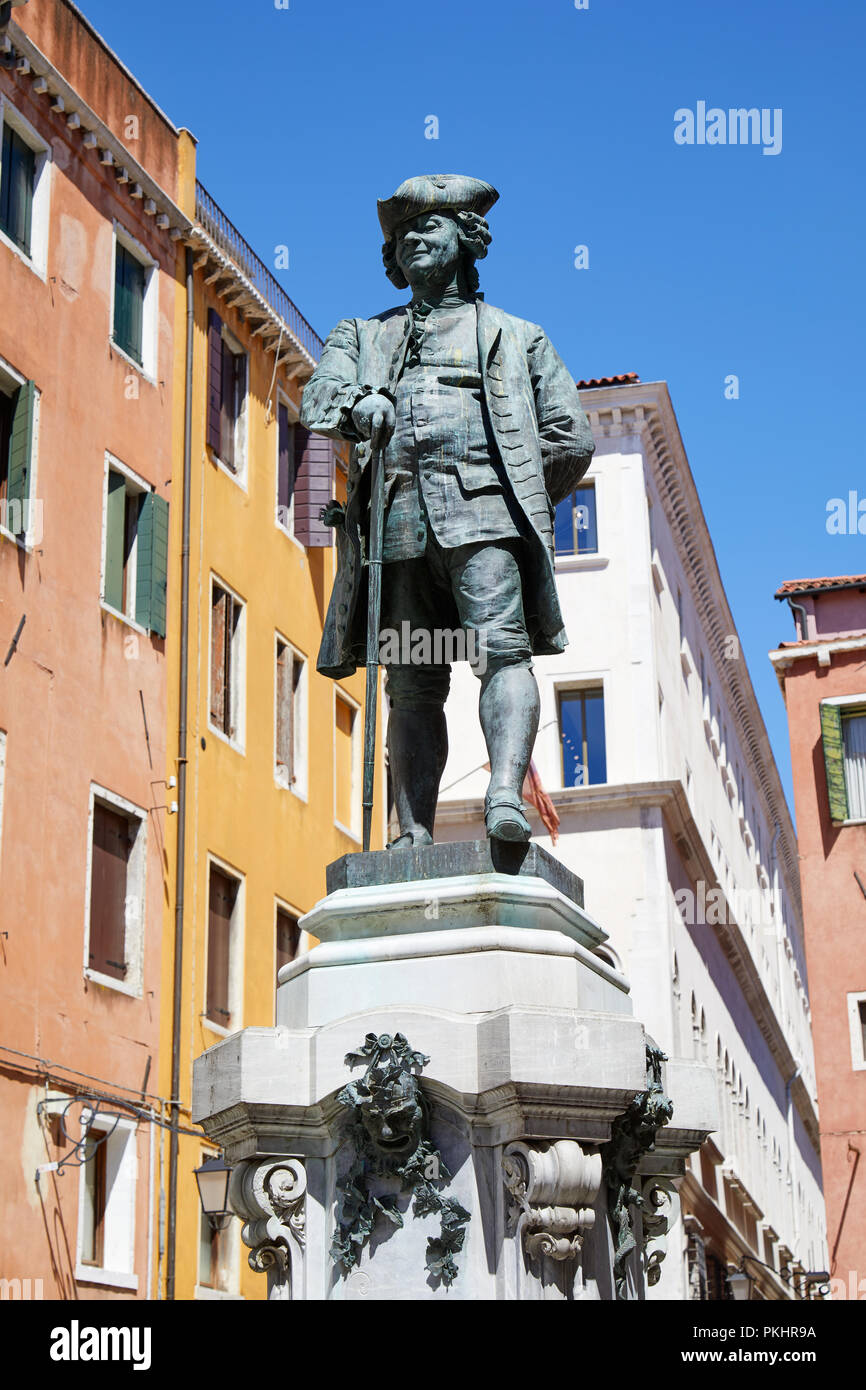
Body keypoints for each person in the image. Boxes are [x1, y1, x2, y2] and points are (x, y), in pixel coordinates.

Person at [300, 175, 594, 846]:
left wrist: (513, 487)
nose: (411, 240)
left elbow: (571, 438)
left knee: (502, 654)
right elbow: (318, 400)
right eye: (400, 235)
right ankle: (412, 835)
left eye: (428, 227)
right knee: (411, 681)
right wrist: (355, 405)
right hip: (396, 526)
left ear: (468, 237)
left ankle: (503, 798)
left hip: (484, 522)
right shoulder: (361, 334)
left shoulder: (517, 337)